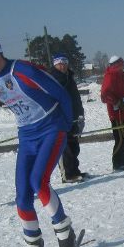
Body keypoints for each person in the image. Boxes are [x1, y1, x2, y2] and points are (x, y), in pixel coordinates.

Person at [0, 32, 76, 247]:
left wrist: (68, 124)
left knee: (39, 181)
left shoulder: (23, 70)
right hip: (27, 136)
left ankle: (65, 232)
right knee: (22, 194)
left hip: (51, 128)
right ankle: (33, 246)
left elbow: (60, 93)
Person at [49, 54, 87, 183]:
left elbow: (76, 98)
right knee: (64, 147)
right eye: (60, 64)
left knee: (74, 146)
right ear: (55, 65)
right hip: (60, 118)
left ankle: (75, 171)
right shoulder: (52, 78)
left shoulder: (69, 77)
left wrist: (80, 113)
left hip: (73, 116)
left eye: (65, 63)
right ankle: (67, 175)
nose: (63, 66)